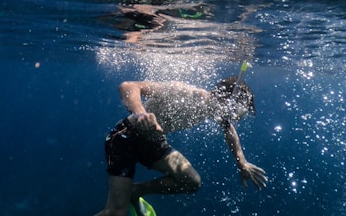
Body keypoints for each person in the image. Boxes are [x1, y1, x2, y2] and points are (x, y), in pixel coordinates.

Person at [94, 76, 268, 216]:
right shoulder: (184, 92)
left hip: (153, 141)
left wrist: (242, 163)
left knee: (192, 182)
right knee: (116, 212)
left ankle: (135, 192)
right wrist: (141, 113)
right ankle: (124, 200)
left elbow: (228, 129)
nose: (236, 117)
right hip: (125, 138)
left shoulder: (215, 109)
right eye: (238, 111)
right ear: (225, 98)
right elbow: (128, 86)